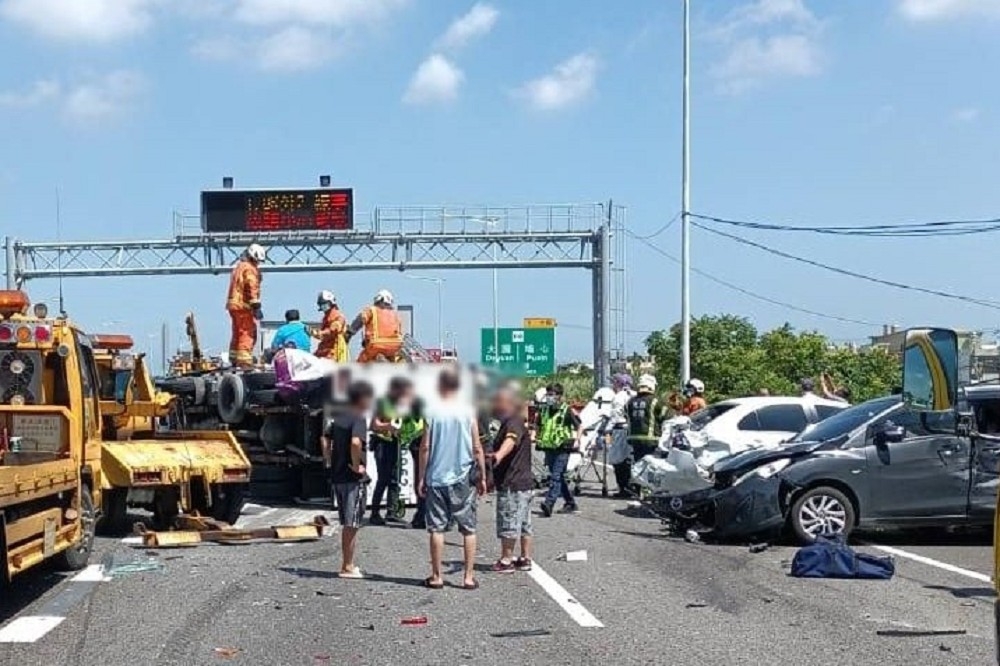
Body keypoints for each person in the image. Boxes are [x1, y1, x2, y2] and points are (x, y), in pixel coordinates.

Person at [417, 368, 486, 590]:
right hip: (462, 476)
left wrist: (421, 477)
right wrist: (483, 476)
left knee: (436, 528)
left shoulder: (432, 411)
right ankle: (467, 577)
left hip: (436, 476)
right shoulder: (468, 411)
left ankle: (436, 576)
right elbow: (477, 447)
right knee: (468, 528)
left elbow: (425, 447)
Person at [322, 380, 374, 579]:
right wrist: (356, 464)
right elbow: (355, 442)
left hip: (338, 474)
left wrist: (329, 460)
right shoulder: (358, 417)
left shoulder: (339, 417)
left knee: (347, 522)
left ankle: (347, 563)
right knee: (352, 523)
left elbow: (325, 439)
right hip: (353, 477)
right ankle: (347, 565)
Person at [488, 386, 533, 573]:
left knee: (509, 520)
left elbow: (511, 440)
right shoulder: (517, 421)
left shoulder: (513, 422)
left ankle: (507, 559)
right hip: (524, 481)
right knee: (524, 523)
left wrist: (498, 455)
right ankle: (525, 557)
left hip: (512, 482)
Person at [369, 377, 423, 526]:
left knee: (395, 478)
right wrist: (389, 427)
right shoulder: (382, 402)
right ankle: (374, 512)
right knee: (383, 479)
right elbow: (374, 425)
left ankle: (392, 512)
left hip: (395, 443)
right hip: (382, 443)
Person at [534, 383, 582, 517]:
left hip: (563, 448)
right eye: (548, 394)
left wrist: (577, 440)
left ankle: (549, 503)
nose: (549, 397)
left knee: (555, 477)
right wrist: (536, 436)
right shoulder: (544, 410)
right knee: (558, 477)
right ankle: (570, 503)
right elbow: (537, 425)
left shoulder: (567, 410)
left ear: (559, 396)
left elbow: (579, 426)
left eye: (552, 394)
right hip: (549, 447)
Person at [621, 375, 668, 496]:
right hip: (651, 438)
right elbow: (664, 417)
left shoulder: (630, 401)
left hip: (634, 438)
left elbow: (626, 416)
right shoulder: (656, 401)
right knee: (650, 465)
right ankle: (648, 489)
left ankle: (637, 488)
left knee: (638, 463)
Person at [225, 243, 265, 368]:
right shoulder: (249, 269)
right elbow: (251, 286)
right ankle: (244, 361)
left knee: (237, 331)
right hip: (243, 306)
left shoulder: (239, 267)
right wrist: (256, 305)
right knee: (247, 332)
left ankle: (234, 357)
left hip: (233, 305)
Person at [346, 289, 404, 363]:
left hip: (377, 345)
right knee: (391, 361)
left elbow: (360, 320)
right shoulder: (396, 314)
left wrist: (349, 333)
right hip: (395, 346)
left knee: (361, 362)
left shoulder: (372, 310)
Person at [609, 374, 636, 498]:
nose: (613, 385)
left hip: (620, 430)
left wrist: (606, 430)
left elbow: (615, 417)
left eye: (614, 382)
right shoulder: (635, 395)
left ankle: (624, 488)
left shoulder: (618, 397)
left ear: (619, 384)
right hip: (633, 431)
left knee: (618, 460)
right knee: (631, 460)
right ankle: (634, 487)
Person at [312, 290, 349, 362]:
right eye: (321, 304)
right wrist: (312, 333)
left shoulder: (337, 315)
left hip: (333, 352)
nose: (323, 306)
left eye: (325, 303)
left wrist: (321, 333)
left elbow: (335, 329)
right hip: (323, 350)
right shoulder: (325, 318)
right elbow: (322, 336)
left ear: (331, 302)